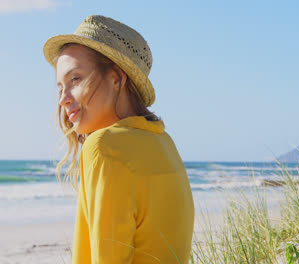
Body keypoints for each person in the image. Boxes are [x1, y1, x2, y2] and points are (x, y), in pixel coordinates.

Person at [43, 15, 195, 263]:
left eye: (75, 79)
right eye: (60, 86)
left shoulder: (105, 147)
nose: (63, 99)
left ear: (116, 78)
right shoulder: (164, 142)